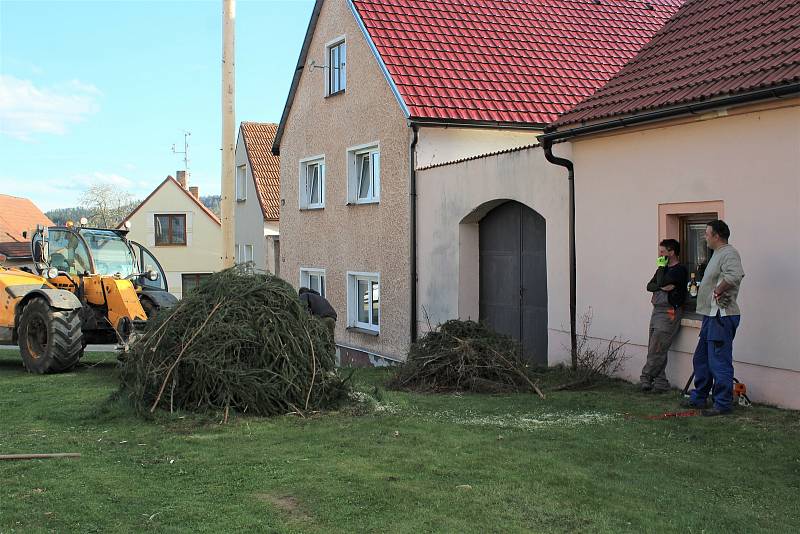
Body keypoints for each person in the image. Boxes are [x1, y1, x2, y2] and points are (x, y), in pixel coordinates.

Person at [681, 220, 744, 416]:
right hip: (710, 316)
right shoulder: (717, 254)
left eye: (707, 233)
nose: (704, 237)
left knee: (719, 362)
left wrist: (718, 290)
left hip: (721, 316)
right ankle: (699, 397)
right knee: (702, 359)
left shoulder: (729, 253)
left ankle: (723, 404)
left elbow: (735, 275)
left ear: (717, 235)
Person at [641, 239, 688, 393]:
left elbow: (661, 281)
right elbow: (650, 286)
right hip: (656, 310)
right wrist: (661, 284)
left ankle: (646, 377)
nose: (659, 255)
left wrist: (661, 277)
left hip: (669, 313)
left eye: (662, 252)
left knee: (657, 348)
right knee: (654, 347)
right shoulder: (663, 268)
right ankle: (661, 383)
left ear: (671, 252)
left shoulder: (679, 270)